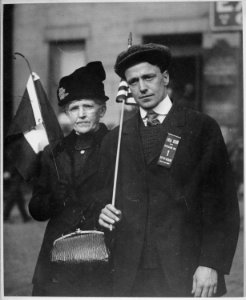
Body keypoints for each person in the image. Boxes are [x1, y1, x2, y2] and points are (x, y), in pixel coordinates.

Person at [98, 43, 240, 297]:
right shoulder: (116, 139)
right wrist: (102, 210)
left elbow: (222, 204)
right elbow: (100, 197)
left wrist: (210, 263)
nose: (141, 87)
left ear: (165, 78)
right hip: (130, 273)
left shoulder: (200, 128)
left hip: (187, 270)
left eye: (148, 77)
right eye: (133, 82)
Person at [28, 61, 111, 296]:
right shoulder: (55, 153)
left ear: (102, 110)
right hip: (58, 259)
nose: (82, 114)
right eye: (74, 108)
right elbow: (36, 208)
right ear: (66, 113)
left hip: (102, 258)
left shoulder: (116, 147)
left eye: (89, 106)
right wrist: (54, 199)